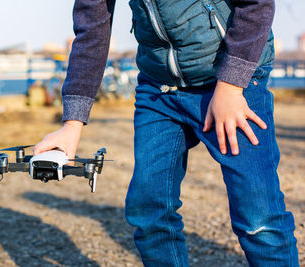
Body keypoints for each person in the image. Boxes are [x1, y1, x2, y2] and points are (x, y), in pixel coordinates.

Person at [34, 0, 299, 265]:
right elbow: (91, 31)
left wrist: (231, 84)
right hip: (159, 89)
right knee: (149, 210)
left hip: (231, 83)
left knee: (258, 218)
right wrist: (72, 123)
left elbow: (257, 4)